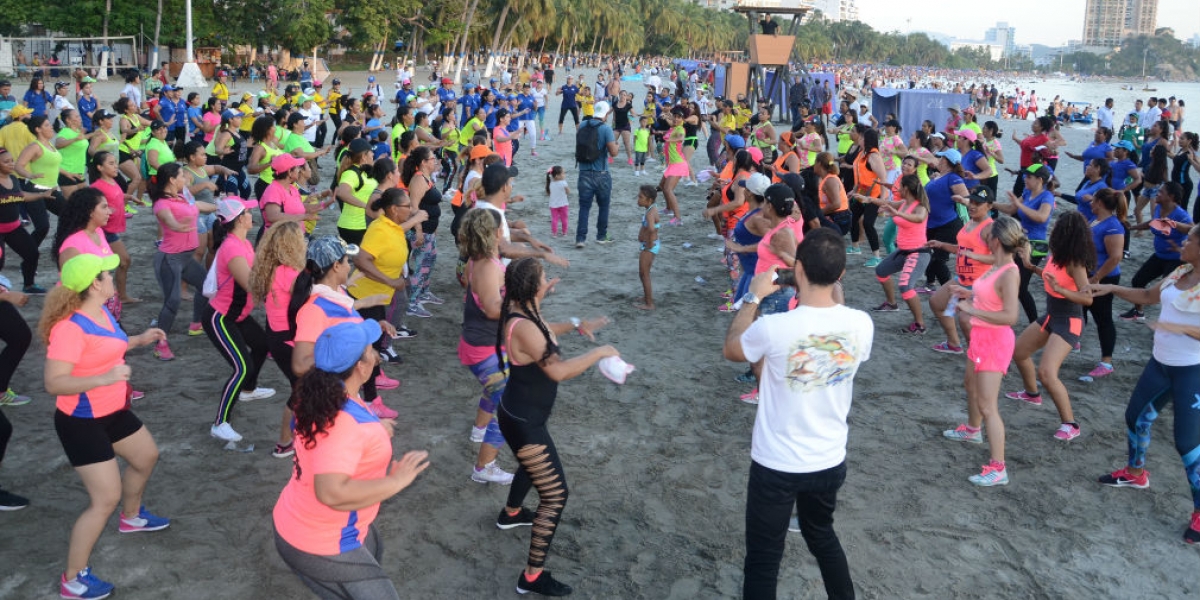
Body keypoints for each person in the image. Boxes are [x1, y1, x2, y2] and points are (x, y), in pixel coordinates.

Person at [723, 227, 872, 600]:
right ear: (840, 275)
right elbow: (835, 308)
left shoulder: (775, 327)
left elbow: (732, 348)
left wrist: (752, 297)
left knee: (763, 559)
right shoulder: (861, 324)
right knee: (822, 535)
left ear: (798, 269)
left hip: (777, 463)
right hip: (828, 459)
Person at [40, 253, 169, 600]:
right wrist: (104, 377)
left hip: (112, 410)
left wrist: (139, 340)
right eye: (108, 274)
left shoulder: (101, 313)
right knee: (104, 499)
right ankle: (72, 578)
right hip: (81, 421)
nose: (114, 276)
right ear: (95, 284)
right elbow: (53, 382)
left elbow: (107, 346)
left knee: (146, 457)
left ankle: (131, 517)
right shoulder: (70, 327)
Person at [272, 320, 430, 600]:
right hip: (321, 539)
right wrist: (397, 480)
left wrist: (374, 426)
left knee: (373, 554)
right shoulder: (346, 422)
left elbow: (329, 438)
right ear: (360, 366)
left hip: (304, 520)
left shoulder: (319, 397)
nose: (377, 355)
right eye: (371, 350)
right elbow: (332, 491)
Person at [496, 257, 616, 597]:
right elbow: (559, 371)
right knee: (555, 495)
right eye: (543, 279)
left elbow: (545, 330)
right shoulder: (526, 326)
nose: (548, 282)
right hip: (524, 421)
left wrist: (577, 324)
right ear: (532, 288)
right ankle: (531, 577)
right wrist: (600, 352)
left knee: (528, 463)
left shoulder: (521, 310)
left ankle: (511, 513)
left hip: (519, 413)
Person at [1089, 225, 1200, 544]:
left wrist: (1176, 327)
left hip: (1192, 369)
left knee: (1187, 443)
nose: (1184, 241)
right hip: (1161, 363)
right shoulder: (1181, 271)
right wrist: (1112, 290)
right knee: (1135, 418)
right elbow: (1150, 296)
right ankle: (1135, 473)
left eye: (1190, 239)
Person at [941, 215, 1025, 486]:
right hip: (980, 335)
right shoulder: (996, 265)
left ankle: (998, 468)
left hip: (994, 340)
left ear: (996, 240)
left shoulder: (1009, 272)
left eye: (986, 236)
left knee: (989, 406)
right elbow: (990, 299)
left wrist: (970, 308)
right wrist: (968, 295)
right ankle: (972, 430)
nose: (983, 239)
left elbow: (1011, 316)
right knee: (970, 386)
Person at [1004, 211, 1095, 441]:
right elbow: (1049, 276)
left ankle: (1070, 424)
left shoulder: (1076, 263)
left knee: (1047, 372)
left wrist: (1063, 290)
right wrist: (1028, 265)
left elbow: (1088, 298)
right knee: (1020, 351)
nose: (1053, 229)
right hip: (1052, 314)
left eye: (1057, 227)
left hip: (1070, 320)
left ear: (1066, 234)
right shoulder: (1057, 256)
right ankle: (1032, 394)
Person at [202, 198, 276, 442]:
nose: (251, 213)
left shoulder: (241, 242)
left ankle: (248, 390)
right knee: (241, 366)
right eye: (248, 211)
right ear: (239, 219)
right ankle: (220, 423)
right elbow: (251, 285)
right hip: (220, 318)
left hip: (238, 316)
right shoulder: (232, 248)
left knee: (262, 344)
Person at [456, 209, 518, 485]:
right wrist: (523, 304)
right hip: (483, 348)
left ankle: (479, 430)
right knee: (510, 405)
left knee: (494, 388)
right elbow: (494, 309)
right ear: (495, 233)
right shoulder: (489, 267)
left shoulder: (477, 260)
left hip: (479, 344)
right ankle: (484, 467)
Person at [248, 221, 307, 458]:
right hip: (288, 340)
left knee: (302, 388)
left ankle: (296, 435)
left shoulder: (271, 268)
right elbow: (310, 300)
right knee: (301, 389)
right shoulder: (289, 274)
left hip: (276, 336)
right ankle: (284, 441)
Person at [150, 163, 216, 358]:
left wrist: (221, 206)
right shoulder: (162, 203)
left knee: (205, 286)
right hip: (169, 260)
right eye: (182, 176)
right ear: (171, 179)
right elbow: (168, 220)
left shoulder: (182, 195)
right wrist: (178, 227)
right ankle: (160, 345)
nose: (185, 179)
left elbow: (198, 206)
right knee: (173, 301)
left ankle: (196, 324)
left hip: (186, 257)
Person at [1122, 182, 1194, 321]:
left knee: (1168, 292)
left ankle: (1170, 322)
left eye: (1161, 192)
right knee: (1138, 280)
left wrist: (1174, 223)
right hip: (1160, 256)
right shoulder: (1159, 207)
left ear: (1171, 196)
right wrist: (1133, 228)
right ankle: (1138, 312)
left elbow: (1191, 230)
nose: (1157, 194)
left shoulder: (1180, 214)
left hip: (1176, 258)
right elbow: (1153, 223)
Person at [869, 174, 930, 333]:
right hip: (903, 251)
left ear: (907, 188)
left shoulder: (920, 206)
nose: (897, 188)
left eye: (899, 186)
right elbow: (887, 203)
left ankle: (920, 324)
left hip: (918, 253)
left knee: (905, 286)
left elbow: (918, 218)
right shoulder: (903, 203)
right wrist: (867, 198)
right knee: (881, 271)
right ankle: (891, 304)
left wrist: (897, 214)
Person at [573, 101, 618, 248]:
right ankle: (601, 235)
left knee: (584, 207)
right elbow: (613, 152)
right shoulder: (606, 129)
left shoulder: (582, 126)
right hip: (601, 172)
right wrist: (616, 145)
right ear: (605, 114)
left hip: (584, 172)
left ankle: (580, 238)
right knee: (603, 206)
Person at [635, 184, 660, 310]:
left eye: (640, 197)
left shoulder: (650, 213)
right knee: (644, 273)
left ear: (649, 200)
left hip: (649, 245)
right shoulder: (652, 208)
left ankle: (649, 304)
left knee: (644, 274)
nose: (638, 199)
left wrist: (648, 244)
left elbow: (651, 229)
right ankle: (647, 297)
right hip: (651, 244)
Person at [546, 165, 570, 237]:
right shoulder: (564, 183)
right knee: (564, 219)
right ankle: (564, 232)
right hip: (563, 204)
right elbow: (568, 192)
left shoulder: (550, 183)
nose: (564, 175)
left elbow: (549, 193)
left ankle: (554, 233)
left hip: (553, 205)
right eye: (563, 173)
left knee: (554, 219)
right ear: (557, 176)